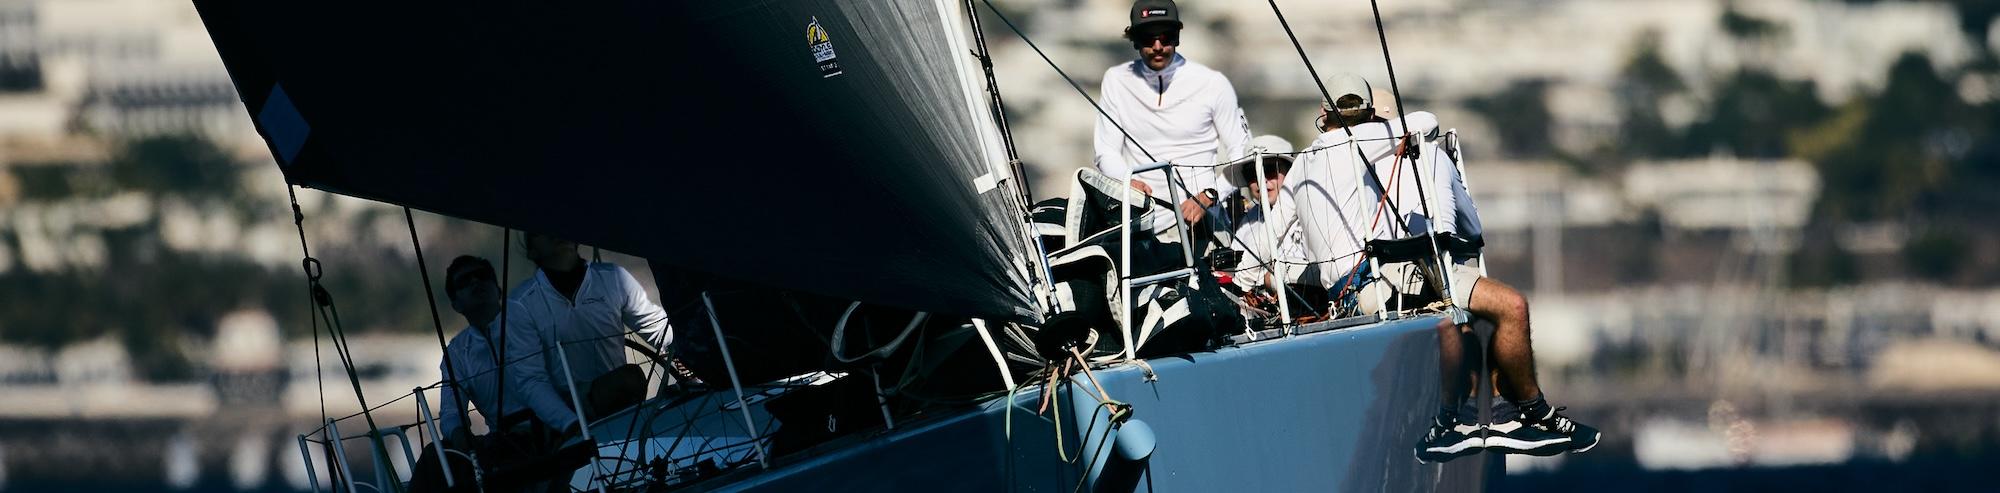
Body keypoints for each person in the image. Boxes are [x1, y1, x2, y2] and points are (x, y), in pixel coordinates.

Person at [1289, 74, 1599, 463]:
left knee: (1464, 314)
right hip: (1384, 280)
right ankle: (1513, 416)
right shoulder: (1377, 146)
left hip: (1351, 290)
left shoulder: (1302, 165)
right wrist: (1396, 136)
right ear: (1374, 119)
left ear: (1323, 114)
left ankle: (1480, 419)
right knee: (1505, 309)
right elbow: (1471, 223)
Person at [410, 255, 580, 493]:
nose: (475, 282)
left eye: (483, 276)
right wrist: (462, 439)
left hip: (553, 428)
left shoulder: (528, 320)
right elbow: (451, 413)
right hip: (504, 441)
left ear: (498, 290)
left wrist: (568, 423)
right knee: (433, 457)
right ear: (456, 304)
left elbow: (549, 379)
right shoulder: (457, 353)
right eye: (464, 281)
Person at [1093, 0, 1254, 230]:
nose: (1158, 46)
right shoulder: (1116, 80)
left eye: (1166, 37)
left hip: (1202, 223)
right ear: (1135, 40)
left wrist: (1209, 195)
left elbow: (1242, 150)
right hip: (1140, 224)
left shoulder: (1213, 83)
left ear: (1177, 38)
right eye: (1148, 39)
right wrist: (1128, 181)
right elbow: (1106, 151)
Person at [513, 231, 671, 420]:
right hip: (566, 413)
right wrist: (568, 423)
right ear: (531, 251)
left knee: (630, 380)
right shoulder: (520, 303)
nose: (553, 232)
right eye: (539, 230)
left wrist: (691, 345)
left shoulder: (614, 278)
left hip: (622, 402)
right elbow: (531, 379)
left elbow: (658, 329)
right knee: (629, 379)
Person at [1220, 135, 1315, 316]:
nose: (1262, 180)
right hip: (1256, 310)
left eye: (1269, 170)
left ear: (1289, 172)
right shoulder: (1248, 220)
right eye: (1252, 174)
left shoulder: (1309, 208)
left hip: (1304, 308)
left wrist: (1266, 278)